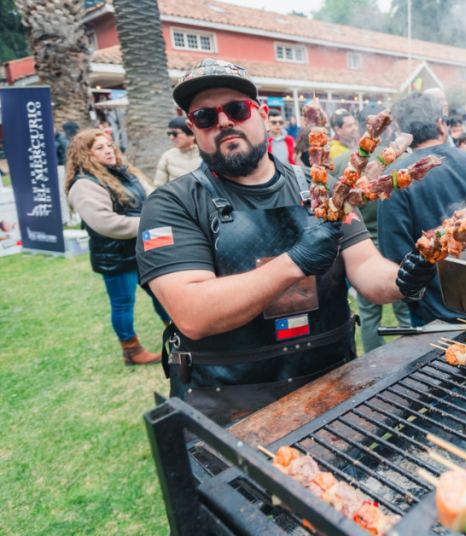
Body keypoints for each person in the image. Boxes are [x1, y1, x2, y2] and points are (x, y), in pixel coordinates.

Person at [138, 59, 436, 424]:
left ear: (262, 114)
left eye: (236, 109)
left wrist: (402, 278)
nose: (224, 122)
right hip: (231, 403)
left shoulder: (323, 188)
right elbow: (192, 313)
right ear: (192, 127)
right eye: (205, 116)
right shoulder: (173, 204)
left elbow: (366, 265)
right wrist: (294, 261)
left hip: (333, 384)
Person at [378, 92, 466, 325]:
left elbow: (395, 256)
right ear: (441, 125)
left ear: (401, 131)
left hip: (434, 315)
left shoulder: (393, 182)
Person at [65, 129, 171, 366]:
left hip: (145, 248)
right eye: (99, 148)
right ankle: (131, 351)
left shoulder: (126, 172)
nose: (109, 151)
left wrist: (162, 217)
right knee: (123, 303)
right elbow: (107, 224)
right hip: (115, 254)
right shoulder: (83, 184)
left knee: (161, 292)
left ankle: (178, 332)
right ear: (86, 155)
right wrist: (151, 224)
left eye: (109, 145)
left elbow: (153, 197)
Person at [329, 104, 413, 353]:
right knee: (404, 305)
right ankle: (411, 357)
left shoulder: (342, 162)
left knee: (369, 314)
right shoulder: (408, 161)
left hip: (360, 246)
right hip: (394, 244)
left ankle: (375, 367)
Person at [153, 116, 202, 187]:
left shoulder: (207, 154)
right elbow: (159, 187)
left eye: (175, 134)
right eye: (169, 134)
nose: (171, 137)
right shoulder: (168, 156)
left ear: (192, 135)